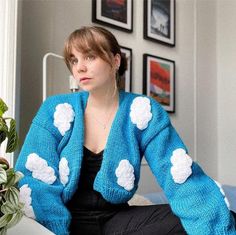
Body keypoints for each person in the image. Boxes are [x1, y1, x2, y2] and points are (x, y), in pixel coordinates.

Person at [15, 26, 236, 235]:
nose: (79, 67)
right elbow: (35, 179)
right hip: (68, 222)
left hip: (117, 221)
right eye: (74, 60)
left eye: (89, 57)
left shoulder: (143, 110)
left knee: (224, 216)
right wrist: (56, 229)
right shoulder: (55, 110)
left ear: (115, 60)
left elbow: (178, 173)